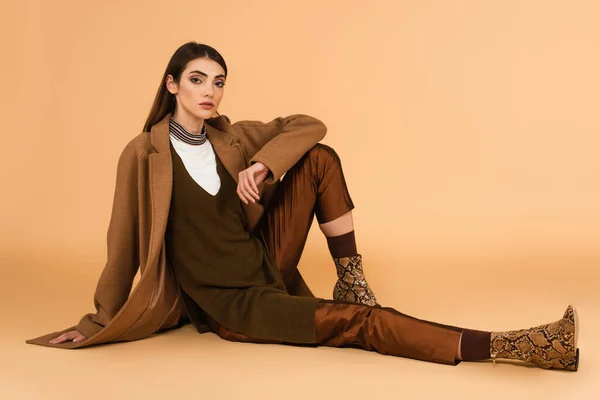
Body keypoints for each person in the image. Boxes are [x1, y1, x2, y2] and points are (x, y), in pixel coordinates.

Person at [26, 42, 579, 371]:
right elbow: (121, 243)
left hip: (264, 260)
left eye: (218, 82)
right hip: (237, 306)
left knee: (319, 158)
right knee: (362, 326)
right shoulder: (143, 155)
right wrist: (98, 319)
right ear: (172, 85)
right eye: (197, 80)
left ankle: (352, 279)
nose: (209, 92)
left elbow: (308, 126)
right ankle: (518, 348)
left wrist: (263, 164)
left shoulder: (230, 137)